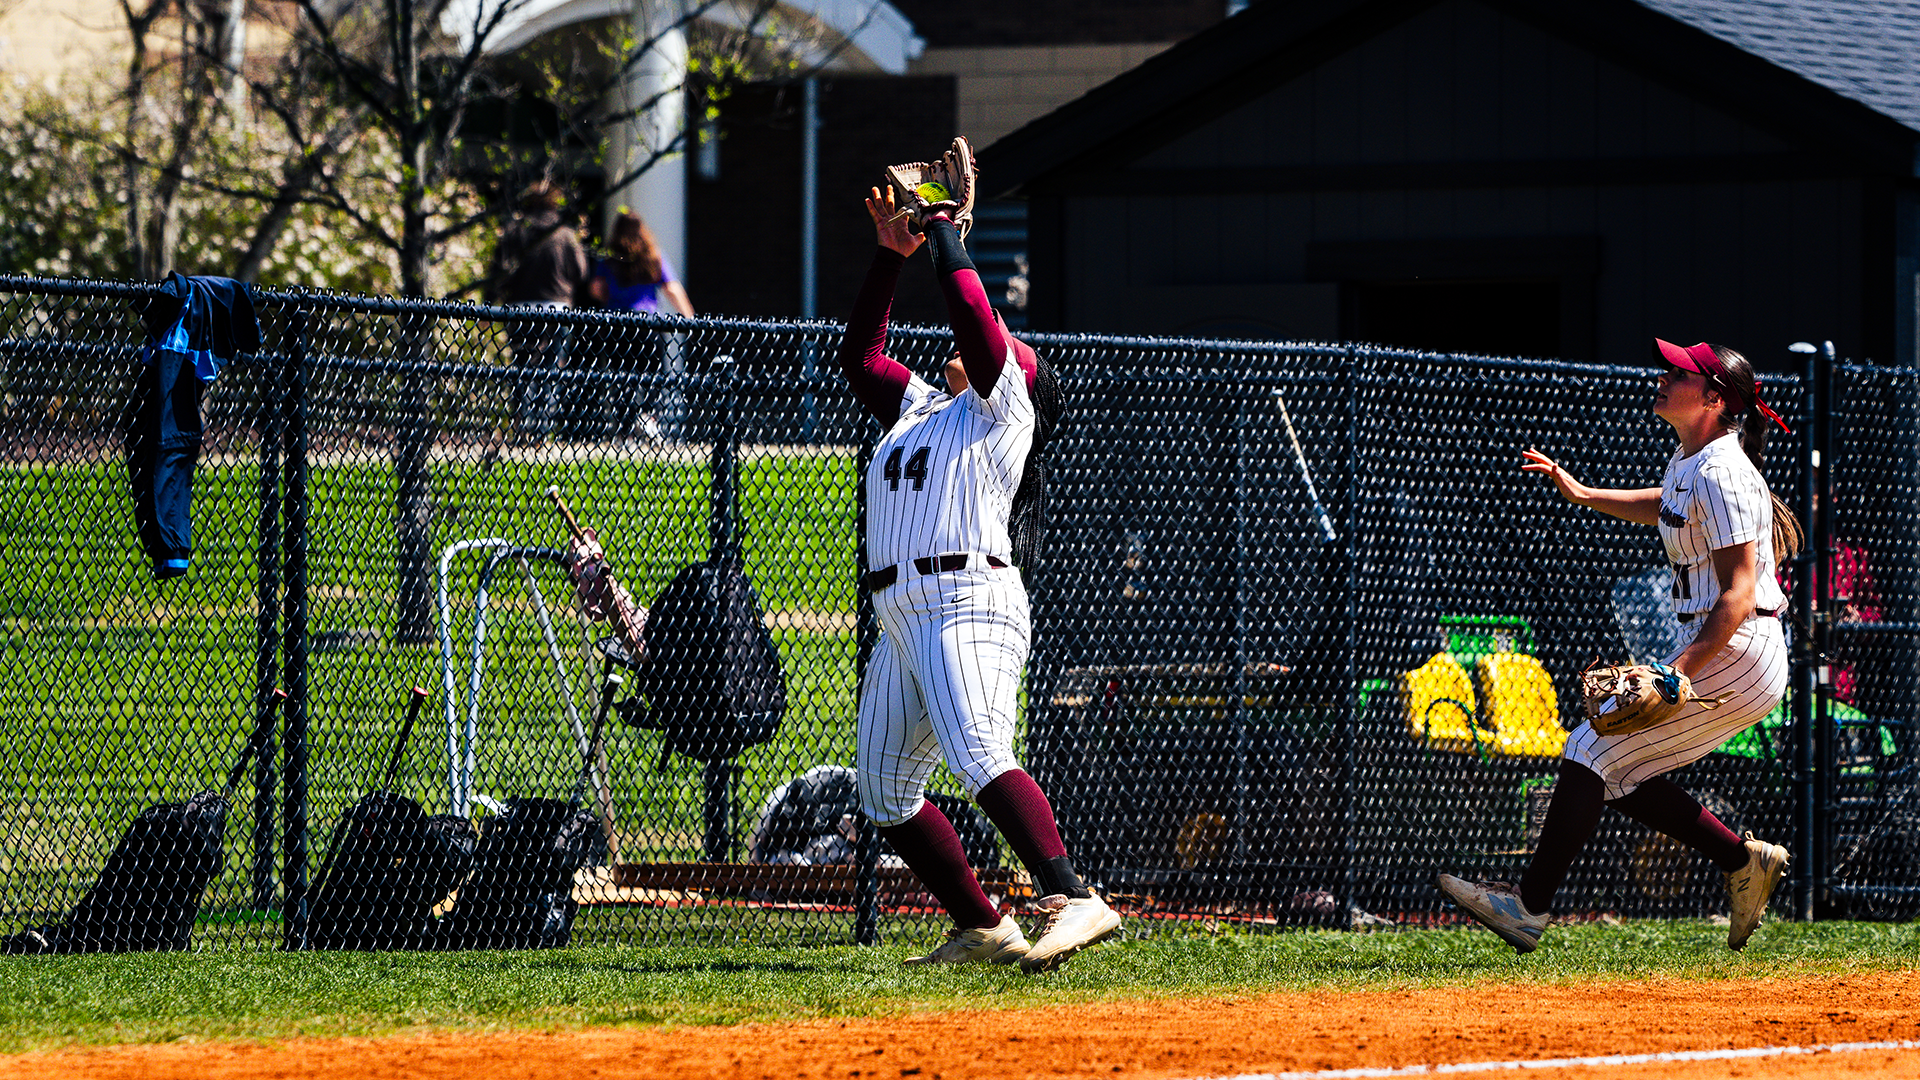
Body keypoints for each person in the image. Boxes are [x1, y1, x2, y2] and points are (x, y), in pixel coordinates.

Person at [838, 140, 1120, 973]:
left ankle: (1074, 896)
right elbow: (859, 358)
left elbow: (970, 316)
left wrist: (949, 230)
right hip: (899, 616)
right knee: (885, 790)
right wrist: (892, 259)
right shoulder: (925, 406)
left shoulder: (1004, 413)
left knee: (981, 753)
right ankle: (984, 925)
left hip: (969, 599)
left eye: (1006, 345)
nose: (992, 342)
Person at [1437, 338, 1804, 953]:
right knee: (1617, 771)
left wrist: (1675, 671)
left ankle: (1527, 908)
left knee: (1592, 746)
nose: (1663, 376)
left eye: (1679, 373)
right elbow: (1666, 508)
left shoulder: (1726, 471)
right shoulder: (1693, 461)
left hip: (1740, 650)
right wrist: (1582, 493)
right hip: (1723, 647)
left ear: (1713, 398)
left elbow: (1739, 594)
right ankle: (1742, 860)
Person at [486, 180, 590, 443]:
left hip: (521, 308)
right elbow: (581, 272)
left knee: (521, 366)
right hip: (557, 308)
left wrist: (490, 303)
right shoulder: (564, 234)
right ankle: (543, 429)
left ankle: (523, 425)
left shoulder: (516, 230)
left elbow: (498, 271)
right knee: (552, 368)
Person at [587, 209, 695, 316]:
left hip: (617, 318)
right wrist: (690, 318)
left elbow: (596, 289)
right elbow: (672, 288)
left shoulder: (610, 257)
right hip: (646, 318)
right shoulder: (653, 256)